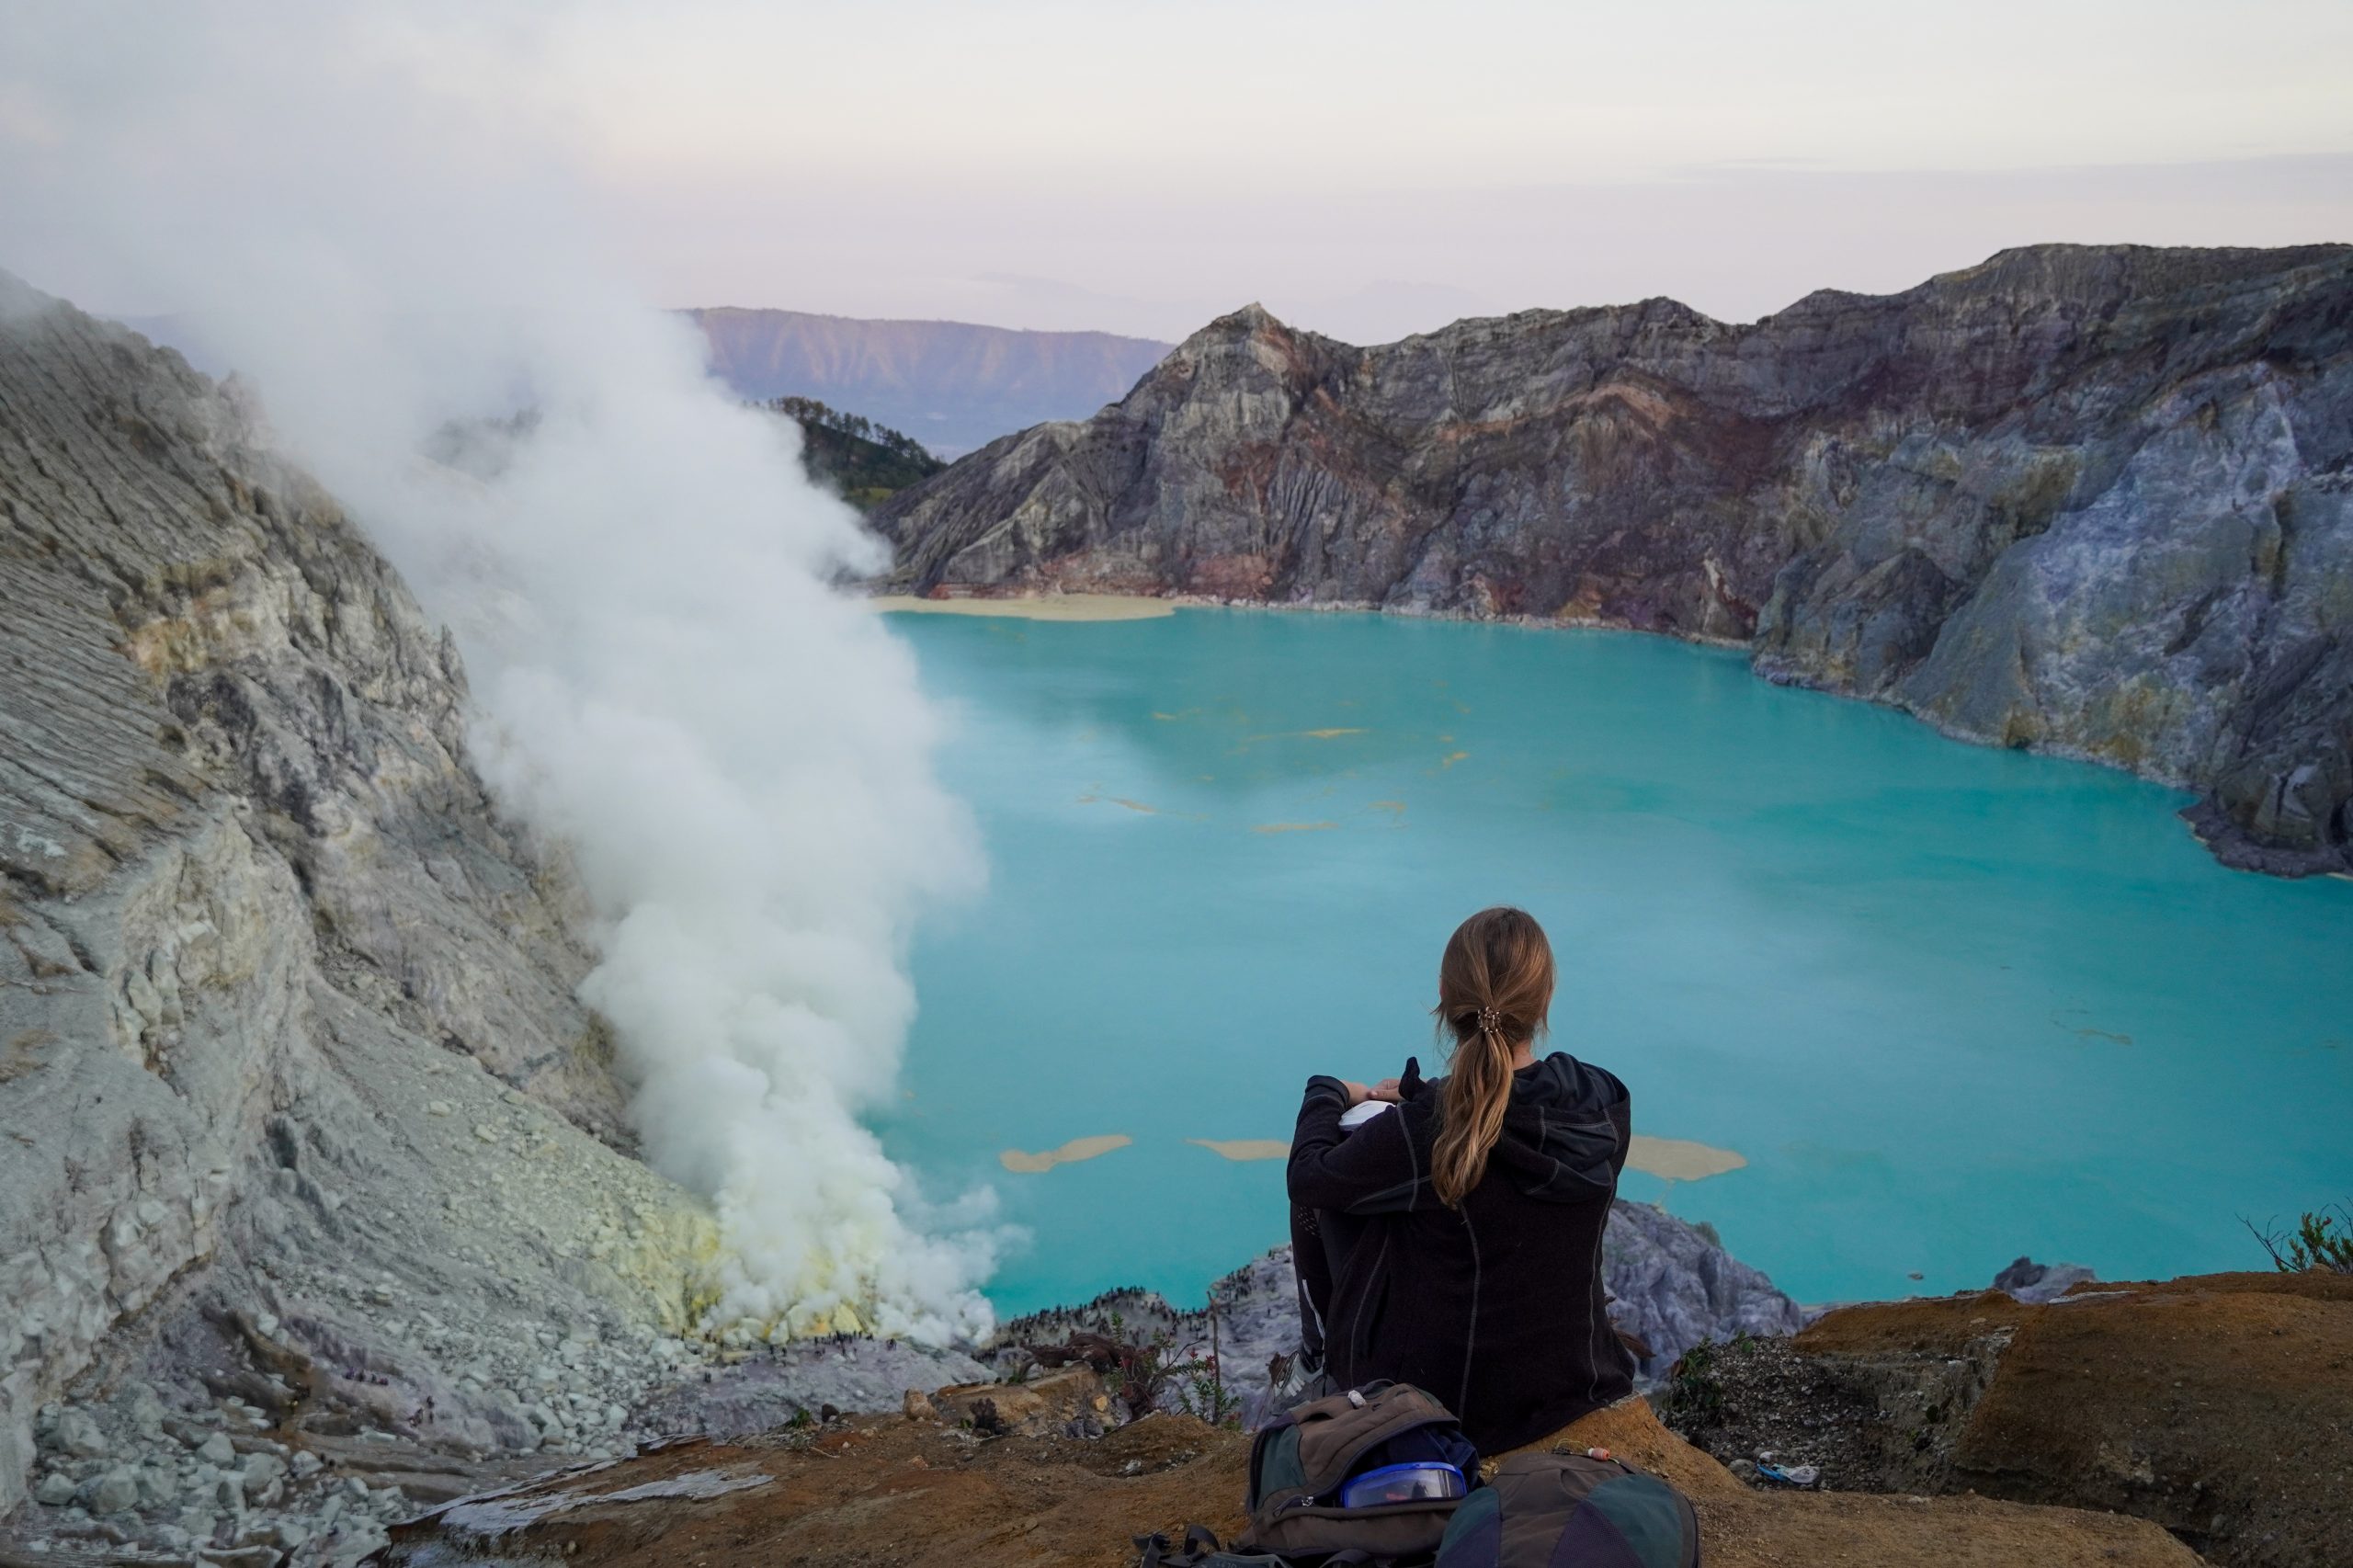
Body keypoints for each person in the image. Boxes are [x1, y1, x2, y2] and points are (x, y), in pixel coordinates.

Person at [1286, 905, 1635, 1454]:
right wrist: (1430, 1096)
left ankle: (1321, 1358)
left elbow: (1309, 1178)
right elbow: (1507, 1114)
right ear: (1544, 999)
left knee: (1338, 1190)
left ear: (1446, 1001)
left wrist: (1328, 1091)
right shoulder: (1603, 1101)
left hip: (1452, 1408)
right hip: (1574, 1382)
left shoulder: (1428, 1131)